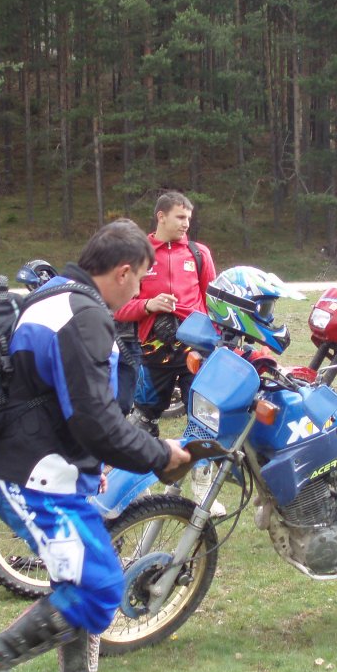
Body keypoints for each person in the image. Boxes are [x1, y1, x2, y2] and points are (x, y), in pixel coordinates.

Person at [0, 219, 192, 672]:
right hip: (35, 480)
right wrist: (159, 455)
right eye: (140, 279)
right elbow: (94, 420)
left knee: (77, 578)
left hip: (48, 472)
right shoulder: (82, 316)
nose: (140, 290)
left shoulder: (55, 295)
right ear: (123, 272)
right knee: (99, 586)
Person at [114, 192, 224, 514]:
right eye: (180, 217)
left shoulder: (199, 254)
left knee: (203, 418)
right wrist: (148, 305)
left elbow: (214, 303)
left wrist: (217, 339)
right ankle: (130, 487)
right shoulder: (138, 255)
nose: (186, 223)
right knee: (142, 419)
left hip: (196, 351)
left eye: (188, 217)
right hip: (152, 351)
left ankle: (202, 491)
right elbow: (119, 308)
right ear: (160, 216)